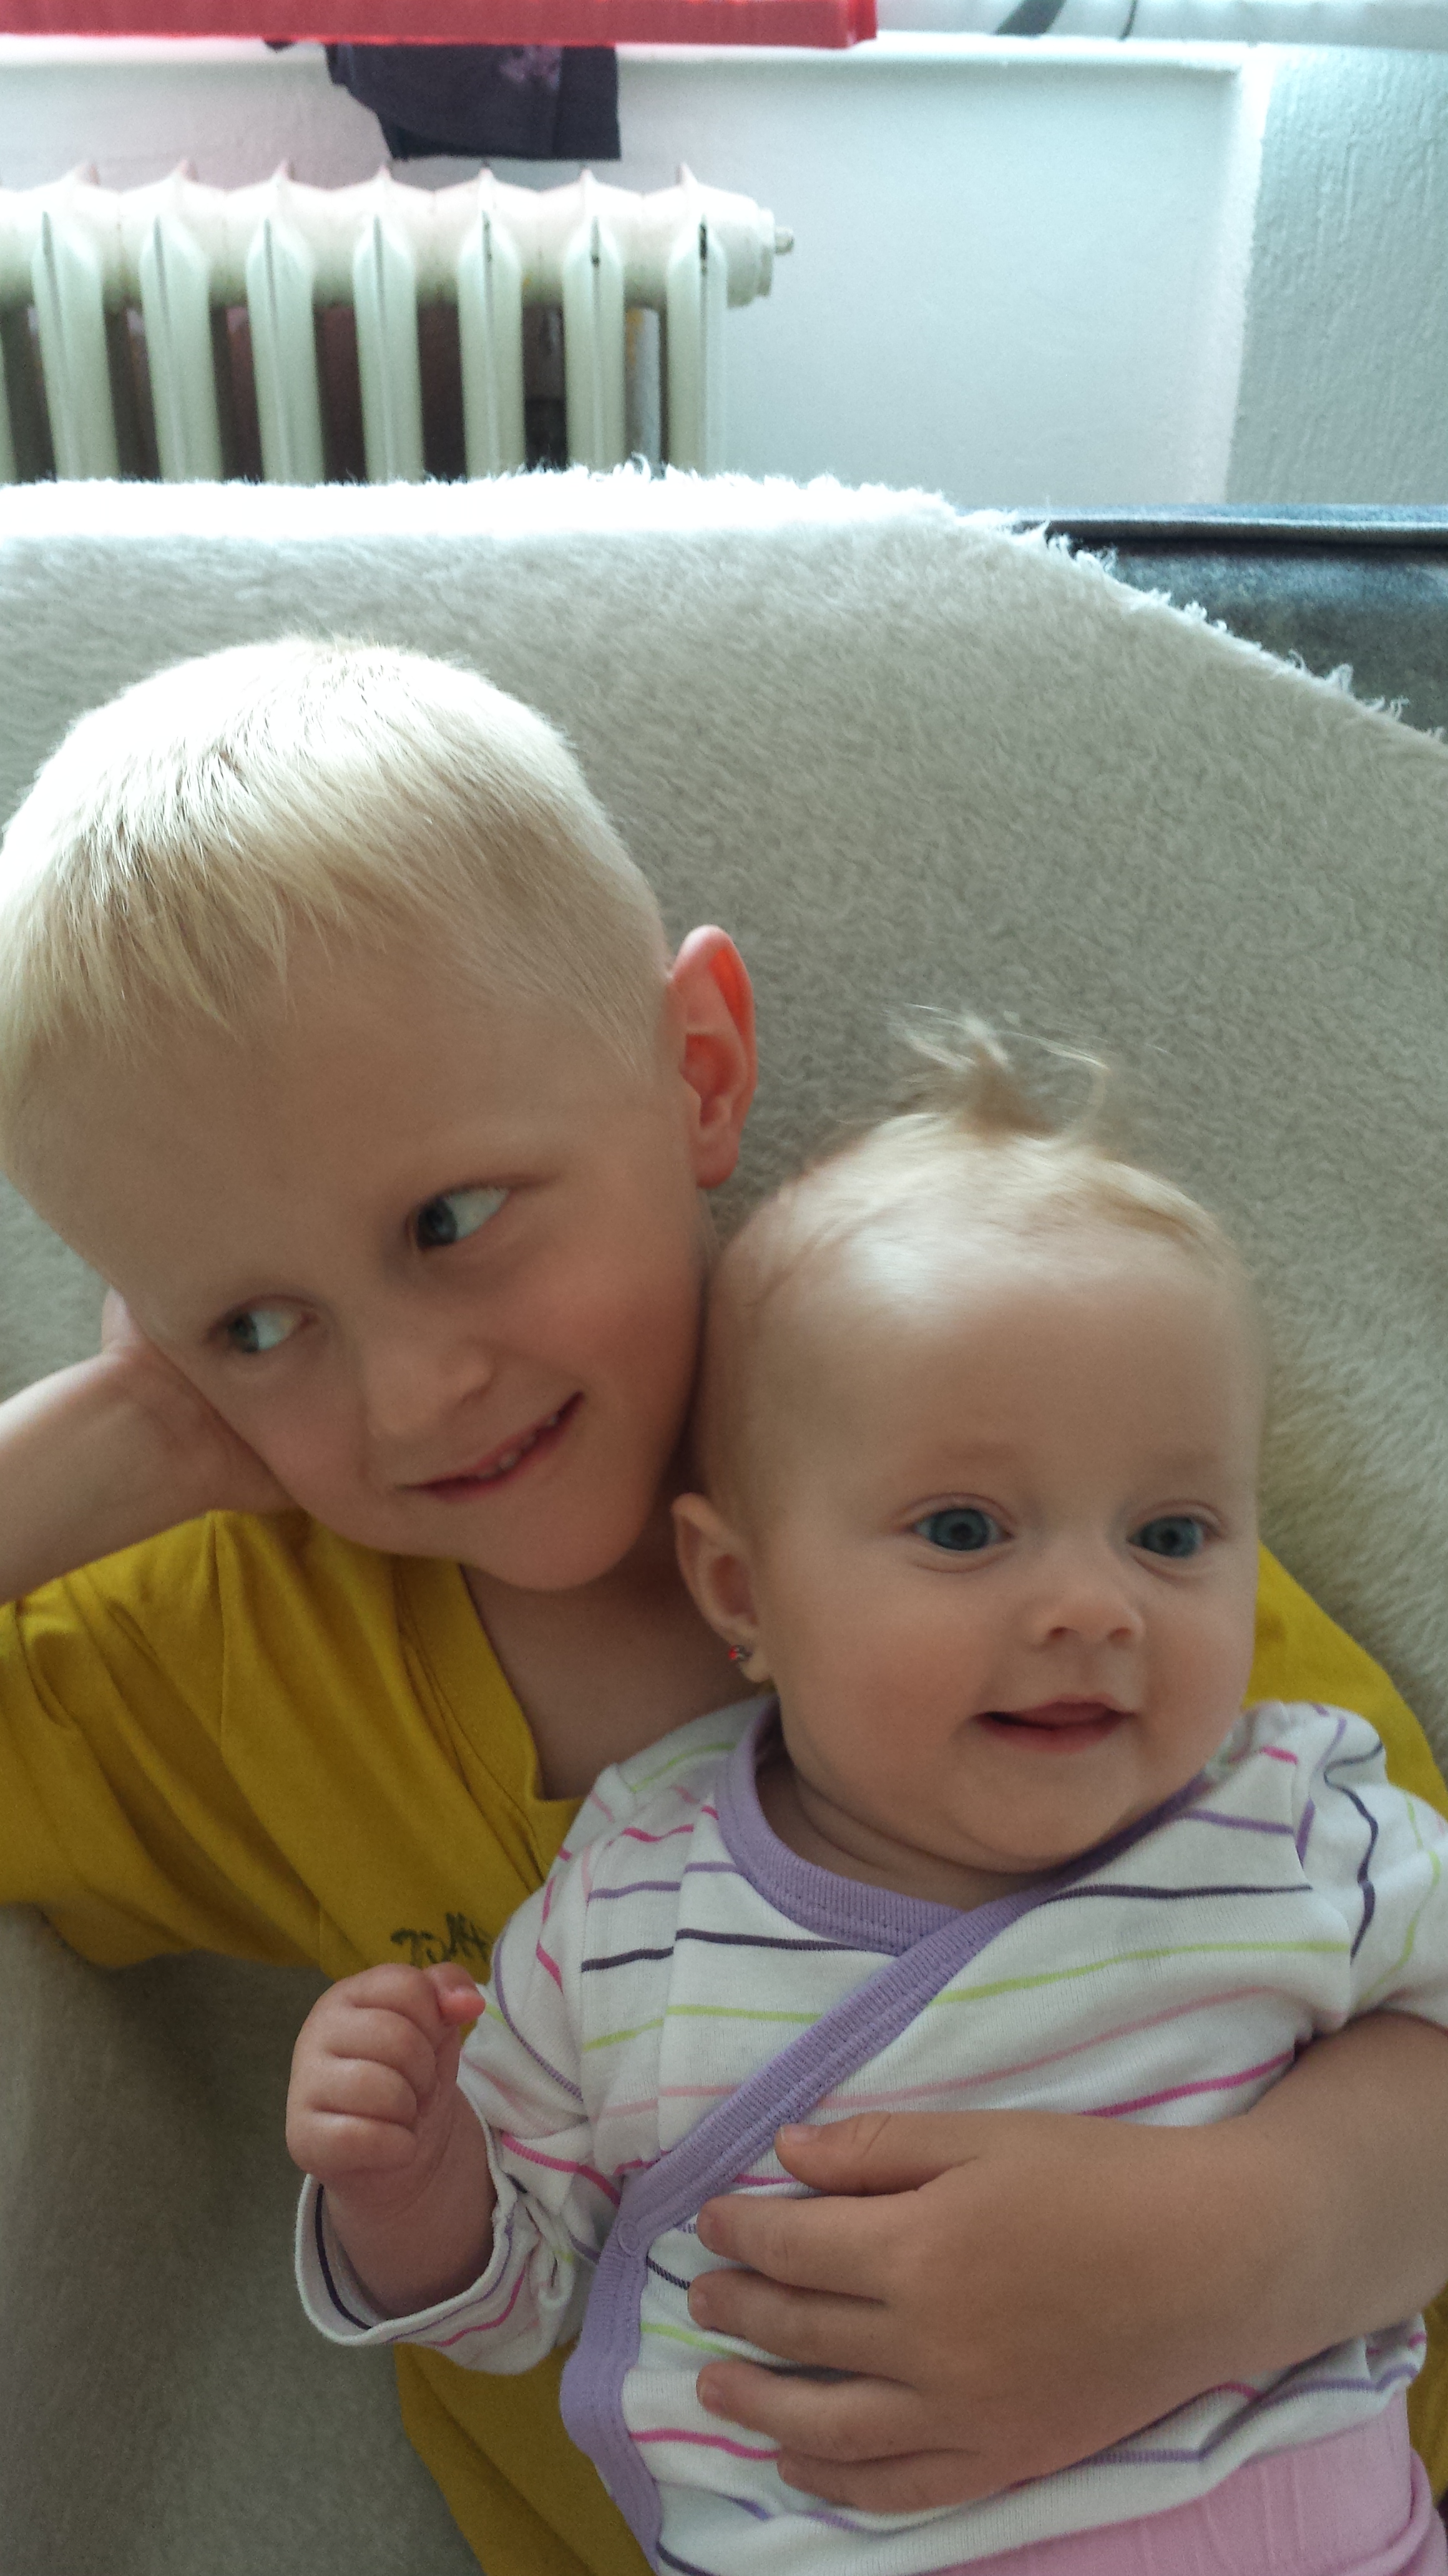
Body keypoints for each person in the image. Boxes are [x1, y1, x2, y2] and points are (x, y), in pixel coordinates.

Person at [1, 642, 1447, 2576]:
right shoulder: (237, 1657)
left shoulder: (1057, 1496)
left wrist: (1238, 2248)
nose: (411, 1397)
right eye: (258, 1324)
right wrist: (116, 1447)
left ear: (696, 1073)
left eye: (451, 1222)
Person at [289, 1023, 1448, 2576]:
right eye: (963, 1529)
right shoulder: (632, 1909)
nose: (1092, 1607)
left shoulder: (1292, 1816)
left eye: (1169, 1536)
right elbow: (512, 2305)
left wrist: (1259, 2223)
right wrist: (408, 2179)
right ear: (738, 1589)